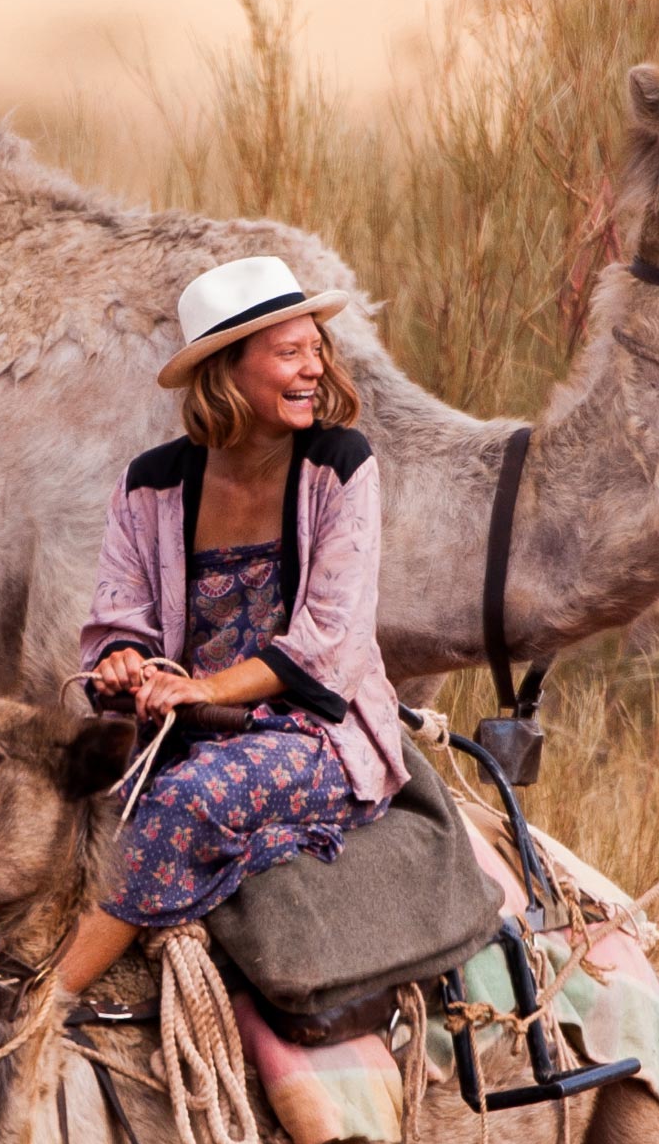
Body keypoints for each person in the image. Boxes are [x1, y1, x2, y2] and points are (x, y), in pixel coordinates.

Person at [52, 254, 405, 1003]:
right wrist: (123, 662)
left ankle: (43, 1005)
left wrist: (205, 689)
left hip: (311, 733)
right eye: (289, 353)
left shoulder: (340, 466)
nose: (313, 368)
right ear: (226, 371)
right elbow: (119, 619)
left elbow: (330, 640)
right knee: (55, 806)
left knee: (186, 800)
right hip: (178, 729)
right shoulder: (149, 483)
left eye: (316, 349)